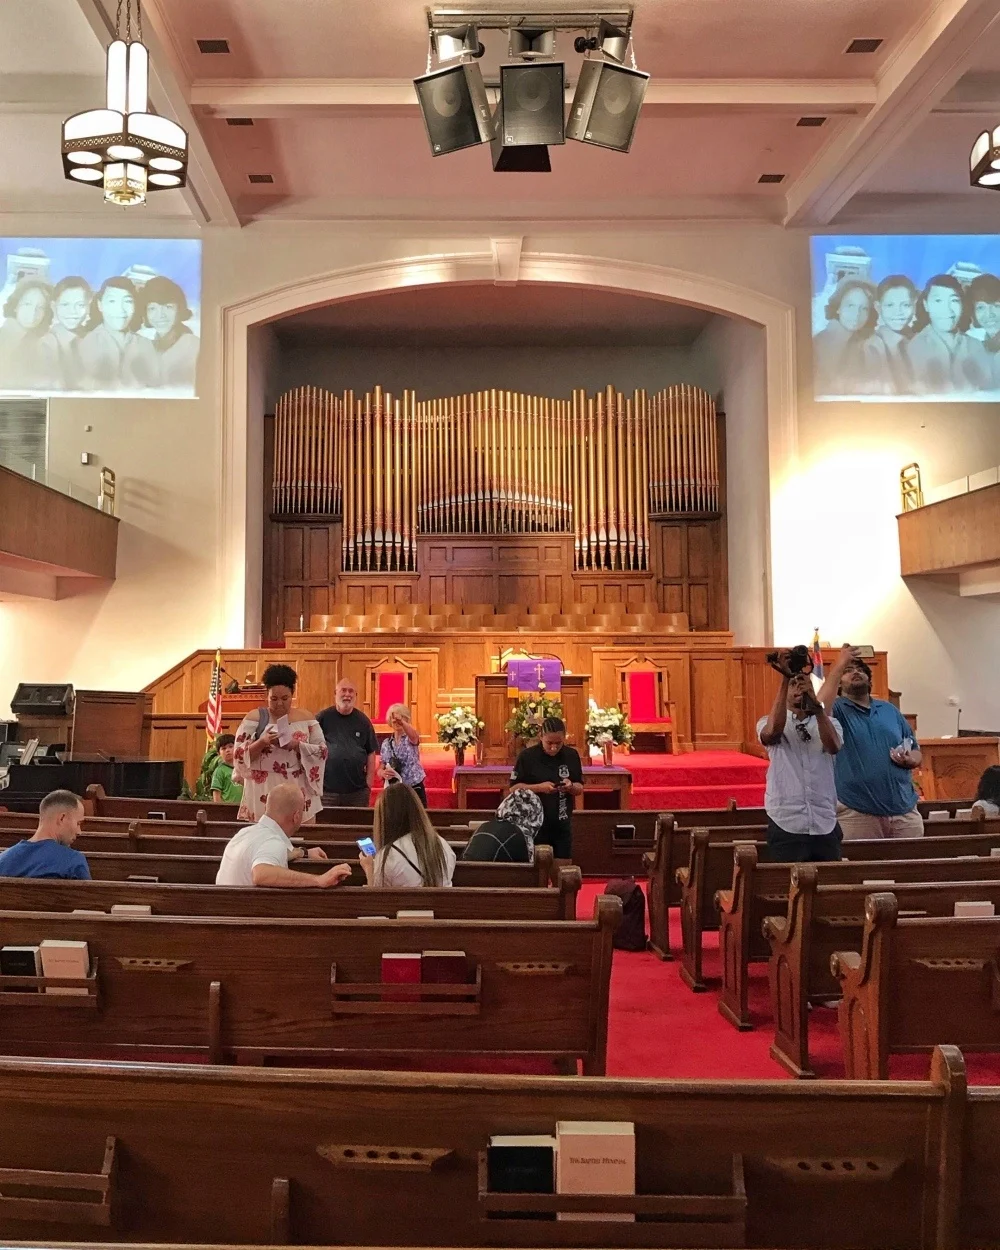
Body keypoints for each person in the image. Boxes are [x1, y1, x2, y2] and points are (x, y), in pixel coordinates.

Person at [817, 646, 922, 839]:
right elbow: (818, 709)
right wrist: (840, 664)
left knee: (911, 867)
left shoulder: (889, 709)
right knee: (864, 869)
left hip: (904, 810)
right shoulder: (837, 710)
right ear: (839, 682)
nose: (855, 672)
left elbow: (915, 748)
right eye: (848, 671)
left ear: (869, 679)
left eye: (860, 670)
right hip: (857, 811)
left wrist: (911, 759)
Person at [757, 657, 844, 862]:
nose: (798, 689)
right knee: (788, 887)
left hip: (824, 821)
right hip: (786, 820)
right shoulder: (767, 721)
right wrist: (785, 678)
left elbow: (833, 746)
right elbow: (772, 734)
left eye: (802, 684)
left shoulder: (830, 723)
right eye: (793, 684)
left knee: (829, 887)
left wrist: (817, 708)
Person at [232, 663, 328, 823]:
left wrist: (297, 745)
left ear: (293, 695)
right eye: (273, 699)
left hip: (297, 786)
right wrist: (262, 742)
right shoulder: (254, 718)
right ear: (266, 696)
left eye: (285, 698)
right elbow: (238, 756)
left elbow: (322, 751)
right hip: (263, 788)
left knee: (298, 838)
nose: (279, 704)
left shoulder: (306, 718)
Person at [215, 781, 352, 888]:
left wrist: (304, 853)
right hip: (243, 919)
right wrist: (319, 880)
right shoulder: (273, 842)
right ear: (296, 816)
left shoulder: (245, 833)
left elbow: (265, 853)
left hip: (223, 914)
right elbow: (261, 873)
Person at [508, 716, 584, 875]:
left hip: (561, 822)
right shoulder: (527, 757)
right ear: (541, 736)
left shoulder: (571, 755)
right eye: (550, 743)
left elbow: (579, 787)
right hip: (534, 824)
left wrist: (570, 787)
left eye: (559, 743)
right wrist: (540, 788)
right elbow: (514, 789)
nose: (554, 748)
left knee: (563, 874)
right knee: (537, 875)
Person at [907, 274, 994, 395]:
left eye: (954, 300)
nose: (947, 309)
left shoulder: (976, 346)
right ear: (926, 305)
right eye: (938, 300)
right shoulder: (914, 347)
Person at [359, 782, 456, 887]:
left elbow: (377, 900)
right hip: (443, 903)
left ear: (385, 819)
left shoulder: (387, 857)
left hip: (405, 904)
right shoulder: (444, 846)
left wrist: (370, 870)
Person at [78, 276, 158, 392]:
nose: (120, 309)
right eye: (112, 301)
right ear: (100, 305)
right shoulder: (86, 344)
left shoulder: (145, 344)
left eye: (127, 301)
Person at [0, 790, 90, 880]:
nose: (79, 831)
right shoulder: (73, 861)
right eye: (78, 823)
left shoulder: (3, 860)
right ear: (62, 818)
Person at [317, 679, 378, 807]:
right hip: (327, 791)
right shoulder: (322, 718)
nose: (347, 694)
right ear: (335, 693)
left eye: (351, 691)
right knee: (325, 826)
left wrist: (369, 784)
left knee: (356, 826)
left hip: (357, 792)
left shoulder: (363, 721)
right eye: (343, 690)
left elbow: (371, 753)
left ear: (356, 695)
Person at [812, 277, 877, 396]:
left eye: (864, 308)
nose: (857, 314)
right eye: (850, 305)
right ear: (838, 308)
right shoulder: (818, 344)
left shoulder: (863, 344)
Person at [140, 275, 199, 392]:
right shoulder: (147, 346)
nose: (160, 315)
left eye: (168, 307)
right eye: (152, 308)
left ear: (179, 309)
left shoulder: (194, 346)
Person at [861, 275, 917, 395]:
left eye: (906, 305)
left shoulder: (919, 341)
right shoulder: (873, 346)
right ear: (878, 307)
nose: (898, 312)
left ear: (914, 305)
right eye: (890, 305)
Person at [0, 277, 58, 391]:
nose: (33, 312)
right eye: (27, 304)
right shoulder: (3, 339)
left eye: (40, 307)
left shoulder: (45, 343)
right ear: (16, 305)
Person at [461, 789, 542, 863]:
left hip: (465, 875)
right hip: (492, 877)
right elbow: (528, 874)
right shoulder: (521, 835)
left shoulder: (484, 826)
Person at [44, 275, 91, 390]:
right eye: (65, 305)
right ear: (54, 306)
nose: (72, 312)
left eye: (80, 305)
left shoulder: (92, 338)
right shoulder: (46, 343)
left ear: (88, 305)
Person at [378, 703, 427, 805]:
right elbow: (380, 768)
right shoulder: (386, 743)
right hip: (394, 789)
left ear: (407, 720)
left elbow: (414, 737)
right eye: (394, 718)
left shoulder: (410, 738)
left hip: (413, 787)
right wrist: (382, 773)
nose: (396, 721)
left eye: (401, 717)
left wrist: (402, 722)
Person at [209, 733, 243, 805]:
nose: (227, 750)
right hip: (227, 809)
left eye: (231, 746)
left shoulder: (244, 768)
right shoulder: (219, 771)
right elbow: (216, 795)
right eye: (223, 748)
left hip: (243, 808)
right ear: (219, 753)